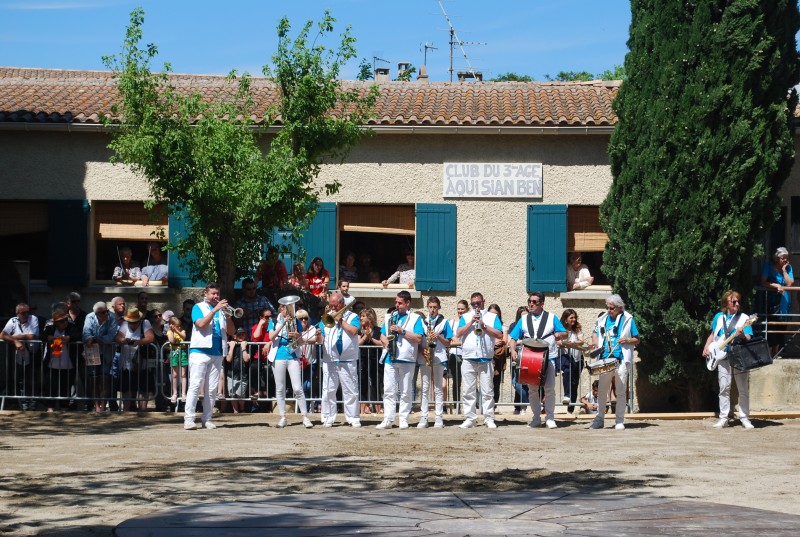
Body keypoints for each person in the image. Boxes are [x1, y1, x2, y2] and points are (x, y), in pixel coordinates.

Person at [508, 292, 567, 429]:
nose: (531, 304)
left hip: (549, 357)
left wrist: (560, 334)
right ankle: (535, 418)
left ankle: (550, 418)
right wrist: (512, 351)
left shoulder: (551, 318)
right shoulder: (523, 320)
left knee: (549, 389)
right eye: (530, 301)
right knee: (532, 390)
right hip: (530, 359)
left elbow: (564, 333)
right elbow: (512, 338)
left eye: (534, 302)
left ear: (542, 303)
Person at [184, 282, 235, 430]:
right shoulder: (198, 307)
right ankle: (189, 419)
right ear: (205, 294)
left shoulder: (222, 311)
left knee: (212, 389)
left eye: (217, 294)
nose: (216, 296)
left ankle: (207, 418)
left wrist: (228, 316)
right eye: (213, 293)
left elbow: (231, 331)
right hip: (200, 351)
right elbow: (201, 324)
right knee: (195, 385)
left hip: (217, 352)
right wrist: (215, 311)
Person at [702, 290, 755, 429]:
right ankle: (723, 418)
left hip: (739, 355)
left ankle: (744, 418)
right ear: (726, 303)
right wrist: (707, 346)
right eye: (734, 301)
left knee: (742, 388)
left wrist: (742, 335)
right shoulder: (719, 317)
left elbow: (749, 337)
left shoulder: (745, 318)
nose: (737, 304)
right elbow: (714, 334)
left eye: (738, 301)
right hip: (721, 356)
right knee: (724, 388)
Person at [589, 294, 640, 430]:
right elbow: (595, 333)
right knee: (602, 390)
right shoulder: (602, 319)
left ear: (619, 307)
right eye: (607, 307)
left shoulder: (628, 319)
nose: (608, 310)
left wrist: (627, 340)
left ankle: (619, 421)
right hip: (605, 359)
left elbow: (636, 339)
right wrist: (594, 343)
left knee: (621, 391)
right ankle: (599, 419)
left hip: (621, 359)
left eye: (611, 308)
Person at [377, 291, 424, 429]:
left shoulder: (416, 318)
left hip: (407, 358)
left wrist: (402, 331)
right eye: (396, 302)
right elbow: (382, 334)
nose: (396, 305)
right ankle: (388, 419)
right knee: (389, 390)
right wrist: (386, 343)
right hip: (390, 358)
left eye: (400, 303)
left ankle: (403, 419)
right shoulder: (390, 317)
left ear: (408, 303)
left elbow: (418, 338)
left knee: (405, 391)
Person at [456, 292, 503, 429]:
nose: (476, 306)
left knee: (488, 391)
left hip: (486, 358)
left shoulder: (492, 316)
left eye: (478, 303)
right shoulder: (465, 316)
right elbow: (458, 333)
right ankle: (470, 418)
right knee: (468, 391)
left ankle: (489, 418)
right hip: (469, 357)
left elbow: (499, 334)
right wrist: (471, 322)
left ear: (484, 302)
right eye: (473, 304)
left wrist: (484, 326)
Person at [315, 291, 361, 427]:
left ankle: (353, 417)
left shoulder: (353, 316)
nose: (332, 308)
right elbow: (321, 340)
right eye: (331, 305)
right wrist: (318, 335)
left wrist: (341, 320)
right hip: (330, 359)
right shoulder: (326, 318)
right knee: (328, 389)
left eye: (335, 306)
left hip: (347, 359)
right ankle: (328, 416)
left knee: (350, 389)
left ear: (341, 304)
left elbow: (353, 331)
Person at [268, 306, 314, 428]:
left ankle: (305, 416)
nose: (289, 311)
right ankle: (283, 417)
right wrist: (282, 324)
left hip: (293, 356)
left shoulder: (296, 322)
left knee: (298, 388)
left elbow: (300, 342)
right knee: (280, 388)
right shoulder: (274, 321)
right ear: (281, 309)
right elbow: (271, 337)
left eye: (290, 309)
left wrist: (297, 334)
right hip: (278, 357)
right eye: (286, 309)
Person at [418, 296, 453, 428]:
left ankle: (439, 417)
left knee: (438, 388)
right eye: (430, 307)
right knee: (425, 387)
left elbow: (448, 342)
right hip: (425, 357)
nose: (432, 310)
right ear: (427, 307)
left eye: (435, 307)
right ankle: (424, 417)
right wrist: (423, 350)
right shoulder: (422, 322)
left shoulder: (444, 322)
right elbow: (419, 339)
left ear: (439, 307)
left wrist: (438, 336)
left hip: (438, 356)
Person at [115, 307, 155, 412]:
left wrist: (137, 342)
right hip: (127, 362)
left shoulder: (145, 323)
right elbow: (118, 337)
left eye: (135, 322)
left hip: (142, 361)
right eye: (131, 322)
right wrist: (124, 340)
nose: (133, 324)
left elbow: (150, 337)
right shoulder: (124, 324)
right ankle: (127, 411)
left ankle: (143, 411)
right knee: (127, 387)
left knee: (143, 387)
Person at [1, 303, 40, 410]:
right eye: (23, 313)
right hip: (17, 356)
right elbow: (2, 335)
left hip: (32, 355)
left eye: (28, 312)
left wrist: (13, 337)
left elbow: (32, 335)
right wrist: (15, 341)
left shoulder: (33, 319)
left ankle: (31, 404)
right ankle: (18, 403)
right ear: (17, 314)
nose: (26, 315)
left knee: (31, 380)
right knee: (15, 379)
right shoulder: (13, 321)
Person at [42, 308, 80, 412]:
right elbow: (43, 336)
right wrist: (51, 338)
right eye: (62, 321)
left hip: (67, 364)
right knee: (51, 387)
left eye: (66, 320)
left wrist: (61, 339)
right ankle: (50, 407)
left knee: (66, 386)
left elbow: (76, 336)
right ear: (56, 323)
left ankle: (64, 407)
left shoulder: (71, 327)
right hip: (52, 363)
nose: (65, 323)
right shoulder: (50, 328)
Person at [82, 301, 116, 413]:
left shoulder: (112, 317)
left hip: (106, 352)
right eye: (103, 312)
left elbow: (112, 335)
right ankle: (96, 405)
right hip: (93, 351)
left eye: (107, 311)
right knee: (94, 379)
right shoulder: (89, 317)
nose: (106, 313)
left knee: (105, 379)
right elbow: (86, 333)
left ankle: (103, 404)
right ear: (97, 313)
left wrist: (96, 339)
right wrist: (90, 339)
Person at [558, 308, 585, 413]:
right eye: (571, 318)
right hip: (565, 357)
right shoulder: (560, 329)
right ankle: (566, 395)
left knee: (575, 383)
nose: (573, 320)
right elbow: (558, 342)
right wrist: (568, 344)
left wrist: (571, 343)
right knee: (567, 372)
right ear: (565, 319)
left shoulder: (577, 329)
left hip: (577, 359)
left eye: (575, 317)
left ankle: (570, 409)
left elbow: (581, 341)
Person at [358, 307, 383, 415]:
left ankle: (377, 409)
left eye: (363, 316)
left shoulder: (378, 330)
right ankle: (362, 410)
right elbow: (358, 343)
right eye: (361, 316)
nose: (361, 318)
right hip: (363, 360)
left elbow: (382, 343)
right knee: (362, 384)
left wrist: (371, 338)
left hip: (375, 360)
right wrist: (365, 336)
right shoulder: (359, 331)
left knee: (376, 384)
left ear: (370, 317)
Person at [446, 299, 469, 411]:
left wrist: (457, 342)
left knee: (470, 381)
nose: (460, 311)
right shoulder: (452, 322)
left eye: (462, 309)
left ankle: (472, 406)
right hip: (455, 354)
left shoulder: (470, 321)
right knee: (456, 382)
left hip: (467, 355)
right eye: (458, 309)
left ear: (467, 309)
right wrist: (460, 342)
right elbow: (449, 339)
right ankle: (457, 406)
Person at [509, 305, 530, 415]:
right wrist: (523, 341)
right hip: (516, 356)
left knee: (525, 381)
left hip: (529, 356)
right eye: (522, 316)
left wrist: (520, 341)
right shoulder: (514, 325)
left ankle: (523, 406)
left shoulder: (531, 326)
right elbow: (511, 340)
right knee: (515, 381)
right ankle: (527, 402)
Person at [488, 303, 508, 413]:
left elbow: (503, 340)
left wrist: (495, 342)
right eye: (491, 314)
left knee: (496, 382)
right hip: (487, 357)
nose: (494, 316)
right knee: (486, 382)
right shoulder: (485, 325)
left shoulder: (503, 326)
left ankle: (494, 406)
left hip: (498, 357)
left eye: (496, 314)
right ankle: (484, 406)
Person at [225, 328, 251, 414]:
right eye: (239, 334)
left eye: (242, 334)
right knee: (232, 394)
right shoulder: (230, 344)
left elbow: (246, 359)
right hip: (231, 373)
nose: (241, 336)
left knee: (240, 394)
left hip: (243, 374)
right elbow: (228, 359)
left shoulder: (248, 345)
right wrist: (231, 347)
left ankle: (242, 409)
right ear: (235, 336)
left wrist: (243, 348)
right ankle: (235, 410)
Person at [166, 314, 188, 404]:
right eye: (176, 326)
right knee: (174, 374)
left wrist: (177, 331)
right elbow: (171, 341)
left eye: (179, 326)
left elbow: (183, 337)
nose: (178, 327)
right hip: (174, 353)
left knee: (183, 374)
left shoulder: (182, 330)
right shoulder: (169, 331)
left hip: (182, 352)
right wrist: (172, 331)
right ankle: (174, 393)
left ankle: (183, 393)